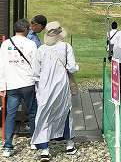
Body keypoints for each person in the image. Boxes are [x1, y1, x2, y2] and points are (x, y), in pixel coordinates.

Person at [31, 22, 79, 161]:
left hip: (45, 86)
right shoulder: (65, 47)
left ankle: (44, 148)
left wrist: (37, 88)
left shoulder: (41, 49)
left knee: (44, 113)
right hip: (61, 85)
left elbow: (36, 72)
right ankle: (70, 143)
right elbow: (72, 67)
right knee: (65, 111)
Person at [0, 19, 37, 158]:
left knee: (10, 115)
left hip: (12, 84)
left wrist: (2, 86)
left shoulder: (5, 44)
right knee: (33, 112)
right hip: (28, 83)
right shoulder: (31, 44)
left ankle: (7, 147)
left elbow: (1, 67)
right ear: (26, 29)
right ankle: (34, 141)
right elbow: (35, 66)